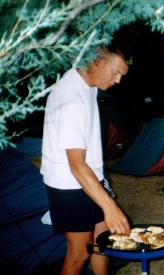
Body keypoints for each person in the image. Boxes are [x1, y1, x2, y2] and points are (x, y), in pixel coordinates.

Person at [41, 45, 131, 275]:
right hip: (70, 184)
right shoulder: (70, 97)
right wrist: (110, 207)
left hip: (90, 178)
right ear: (98, 61)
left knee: (101, 242)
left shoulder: (88, 83)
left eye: (122, 74)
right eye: (116, 72)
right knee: (79, 253)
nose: (118, 80)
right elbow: (76, 165)